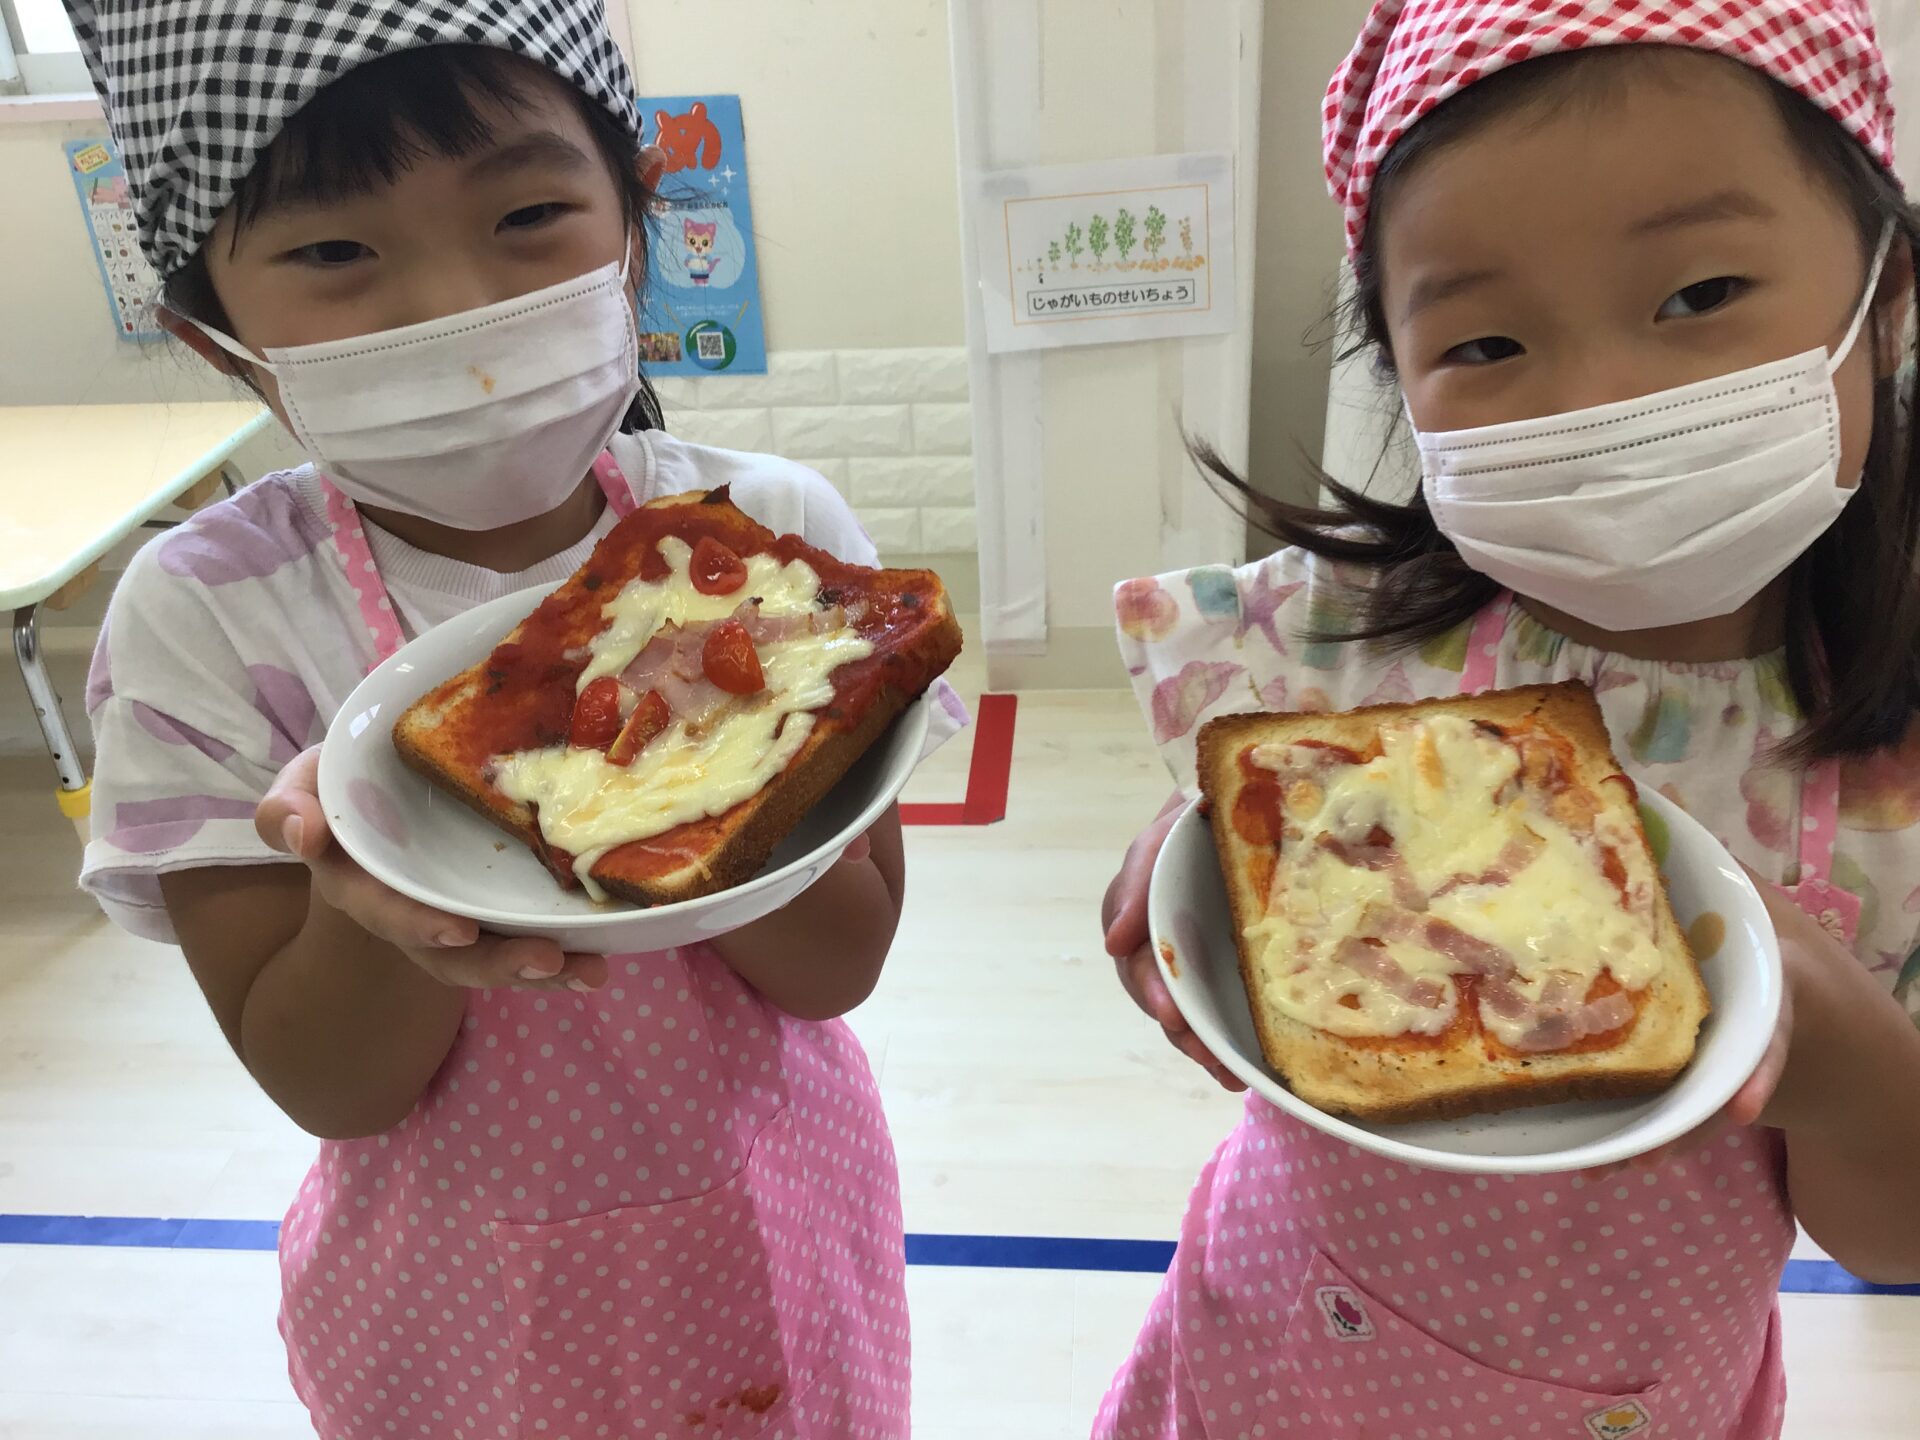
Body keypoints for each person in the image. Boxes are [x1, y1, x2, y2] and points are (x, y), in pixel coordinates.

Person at [69, 3, 962, 1435]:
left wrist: (698, 758)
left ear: (633, 231)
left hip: (775, 1222)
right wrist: (370, 892)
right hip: (452, 1293)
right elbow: (331, 1087)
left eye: (532, 213)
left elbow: (837, 966)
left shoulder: (774, 539)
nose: (452, 308)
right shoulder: (206, 615)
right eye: (336, 252)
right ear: (218, 333)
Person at [1097, 2, 1920, 1435]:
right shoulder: (1324, 653)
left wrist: (1846, 1072)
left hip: (1638, 1396)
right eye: (1484, 341)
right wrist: (1168, 895)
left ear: (1888, 291)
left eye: (1697, 293)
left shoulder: (1895, 774)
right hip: (1281, 1344)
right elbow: (1223, 895)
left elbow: (1897, 1239)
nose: (1598, 400)